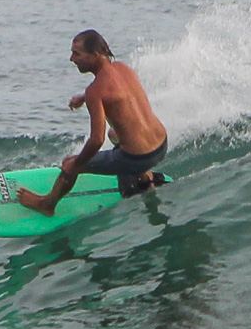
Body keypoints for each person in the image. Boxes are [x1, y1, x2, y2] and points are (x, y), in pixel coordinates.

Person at [17, 30, 168, 215]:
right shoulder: (123, 68)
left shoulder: (95, 91)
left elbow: (96, 140)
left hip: (137, 158)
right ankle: (145, 177)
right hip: (161, 144)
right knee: (114, 134)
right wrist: (84, 98)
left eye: (77, 53)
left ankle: (47, 205)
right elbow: (117, 94)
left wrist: (77, 163)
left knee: (69, 164)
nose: (72, 59)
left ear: (95, 55)